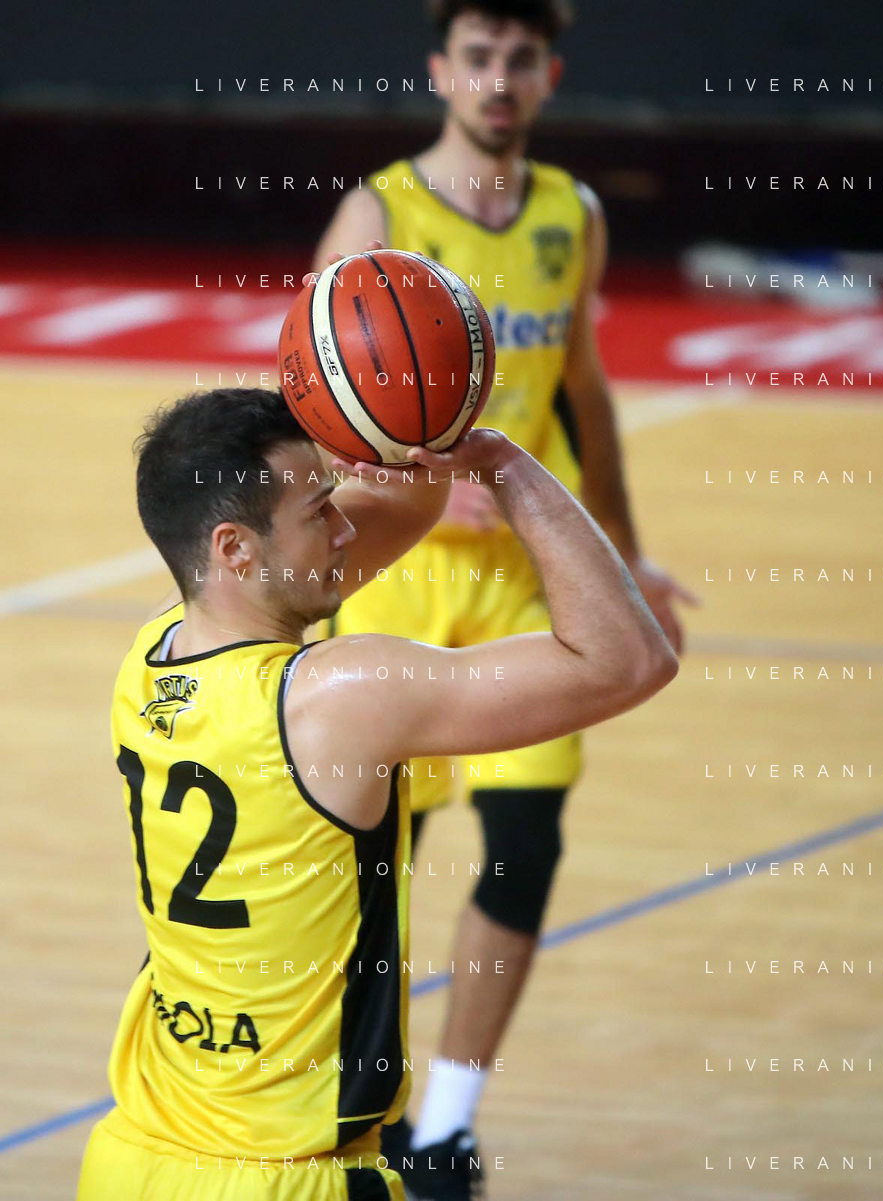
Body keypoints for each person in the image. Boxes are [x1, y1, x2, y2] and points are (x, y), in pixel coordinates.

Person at [76, 272, 676, 1199]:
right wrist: (504, 464)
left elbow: (394, 511)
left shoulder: (150, 654)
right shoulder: (341, 696)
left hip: (132, 1159)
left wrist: (409, 433)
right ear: (235, 548)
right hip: (287, 1179)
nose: (344, 527)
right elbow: (626, 658)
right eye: (319, 510)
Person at [314, 2, 698, 1192]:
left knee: (524, 847)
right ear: (440, 70)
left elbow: (584, 388)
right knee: (377, 871)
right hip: (400, 580)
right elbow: (310, 397)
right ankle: (356, 1111)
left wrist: (623, 552)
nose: (496, 79)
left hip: (528, 587)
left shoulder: (571, 214)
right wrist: (413, 495)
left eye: (518, 60)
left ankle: (444, 1124)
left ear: (547, 76)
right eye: (477, 57)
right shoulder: (381, 213)